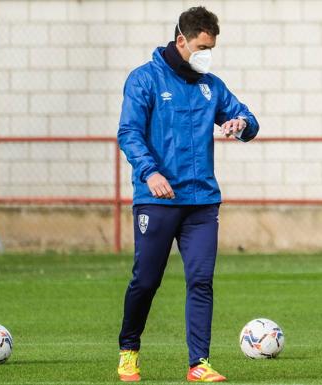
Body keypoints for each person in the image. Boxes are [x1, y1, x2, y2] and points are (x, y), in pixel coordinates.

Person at [116, 6, 259, 383]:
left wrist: (241, 123)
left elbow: (249, 120)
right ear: (181, 41)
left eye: (211, 47)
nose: (205, 54)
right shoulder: (144, 80)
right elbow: (128, 133)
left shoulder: (211, 85)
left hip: (202, 202)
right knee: (146, 281)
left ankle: (199, 363)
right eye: (200, 47)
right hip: (157, 198)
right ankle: (129, 350)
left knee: (201, 281)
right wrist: (150, 172)